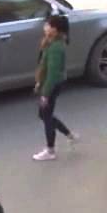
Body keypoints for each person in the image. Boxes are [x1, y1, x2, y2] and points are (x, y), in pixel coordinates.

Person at [34, 14, 77, 161]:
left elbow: (53, 73)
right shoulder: (51, 42)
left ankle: (50, 150)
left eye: (48, 25)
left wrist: (45, 94)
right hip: (49, 83)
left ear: (55, 29)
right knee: (44, 114)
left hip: (52, 84)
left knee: (46, 116)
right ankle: (69, 135)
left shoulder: (56, 48)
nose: (45, 27)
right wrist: (40, 81)